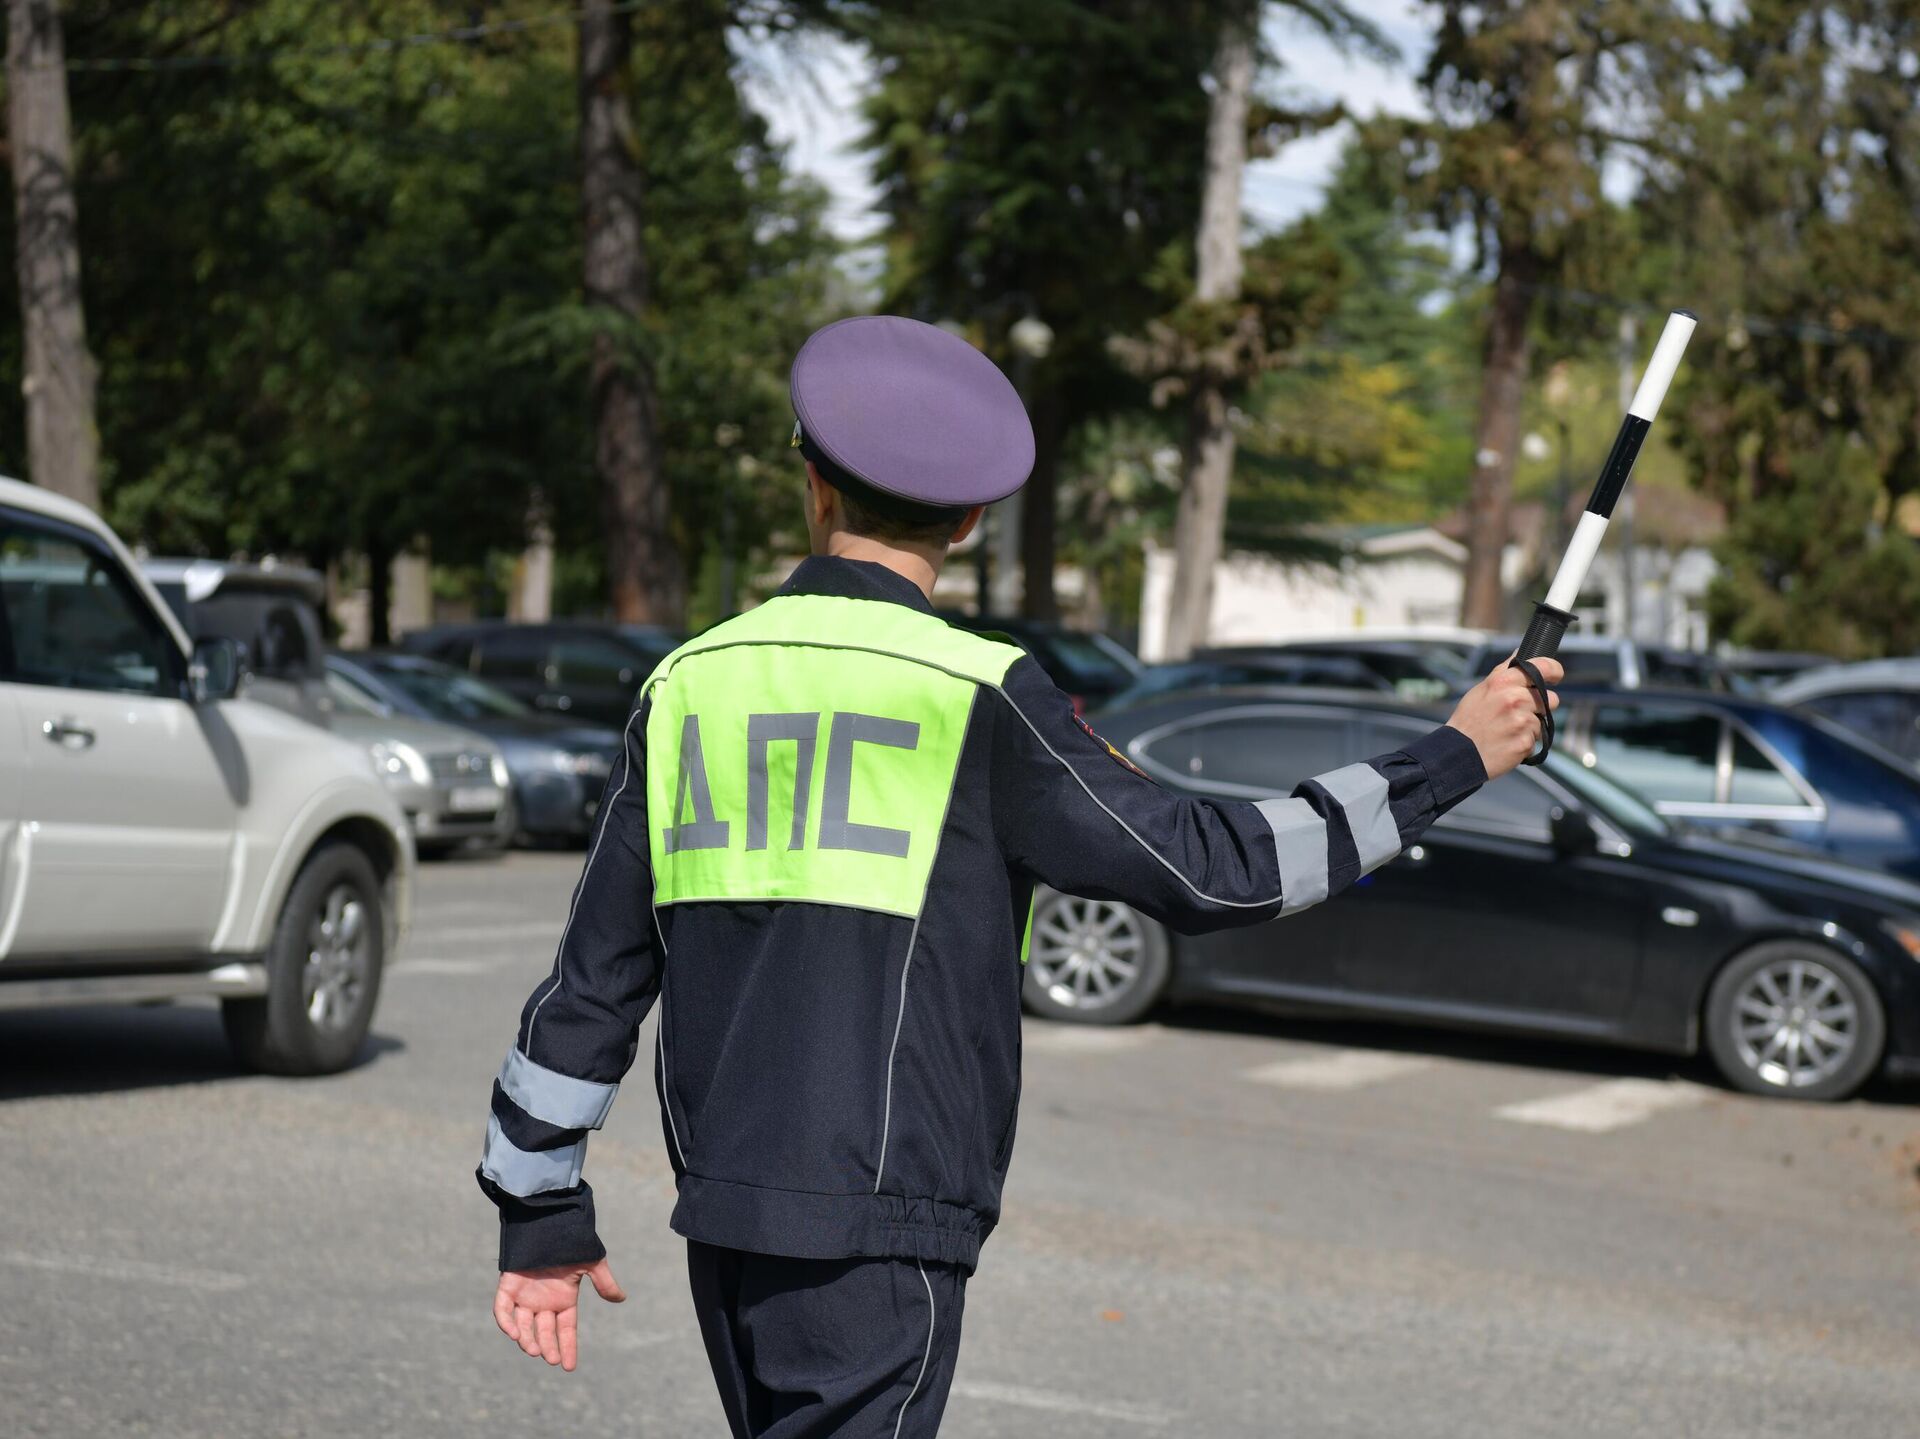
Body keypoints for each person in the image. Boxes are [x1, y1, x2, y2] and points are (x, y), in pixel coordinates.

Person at [477, 315, 1561, 1436]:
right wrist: (1453, 756)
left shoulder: (687, 681)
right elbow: (1219, 868)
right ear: (969, 518)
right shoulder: (979, 691)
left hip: (727, 1219)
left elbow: (591, 984)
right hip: (882, 1231)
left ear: (814, 483)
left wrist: (539, 1209)